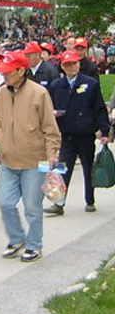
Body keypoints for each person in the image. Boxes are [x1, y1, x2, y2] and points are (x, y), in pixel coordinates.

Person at [0, 51, 61, 262]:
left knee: (32, 207)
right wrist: (0, 137)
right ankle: (16, 238)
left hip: (35, 161)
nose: (3, 75)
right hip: (8, 160)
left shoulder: (39, 93)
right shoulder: (1, 93)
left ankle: (34, 245)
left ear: (21, 71)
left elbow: (50, 128)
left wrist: (52, 154)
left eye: (7, 71)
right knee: (4, 202)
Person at [45, 50, 110, 215]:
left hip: (85, 135)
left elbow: (99, 108)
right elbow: (48, 109)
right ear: (62, 66)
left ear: (79, 64)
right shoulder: (56, 86)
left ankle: (90, 200)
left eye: (73, 63)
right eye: (67, 64)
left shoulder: (90, 84)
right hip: (65, 135)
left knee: (88, 169)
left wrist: (104, 131)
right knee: (61, 169)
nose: (71, 67)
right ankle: (58, 202)